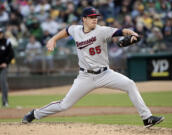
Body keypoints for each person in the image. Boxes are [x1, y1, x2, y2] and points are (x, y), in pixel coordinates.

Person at [22, 7, 164, 128]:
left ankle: (147, 118)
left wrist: (132, 34)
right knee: (64, 105)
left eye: (96, 17)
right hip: (85, 77)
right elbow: (66, 31)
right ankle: (34, 114)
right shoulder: (75, 30)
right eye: (91, 17)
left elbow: (121, 31)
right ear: (83, 19)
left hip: (105, 73)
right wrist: (53, 39)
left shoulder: (101, 30)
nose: (94, 19)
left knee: (130, 84)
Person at [0, 28, 15, 107]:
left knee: (3, 83)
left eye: (0, 33)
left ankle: (5, 101)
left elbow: (11, 54)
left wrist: (6, 63)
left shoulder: (6, 42)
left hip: (3, 66)